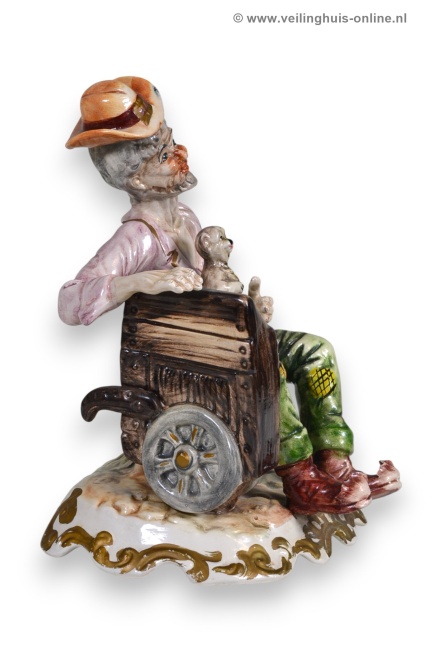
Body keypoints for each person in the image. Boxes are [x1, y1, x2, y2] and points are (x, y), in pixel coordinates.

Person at [60, 76, 401, 515]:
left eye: (171, 141)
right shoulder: (135, 239)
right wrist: (143, 281)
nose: (180, 154)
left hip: (223, 340)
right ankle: (299, 477)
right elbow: (70, 303)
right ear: (137, 179)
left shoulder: (186, 218)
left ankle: (335, 463)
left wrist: (248, 309)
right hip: (191, 355)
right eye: (163, 154)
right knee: (268, 369)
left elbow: (209, 293)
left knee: (316, 350)